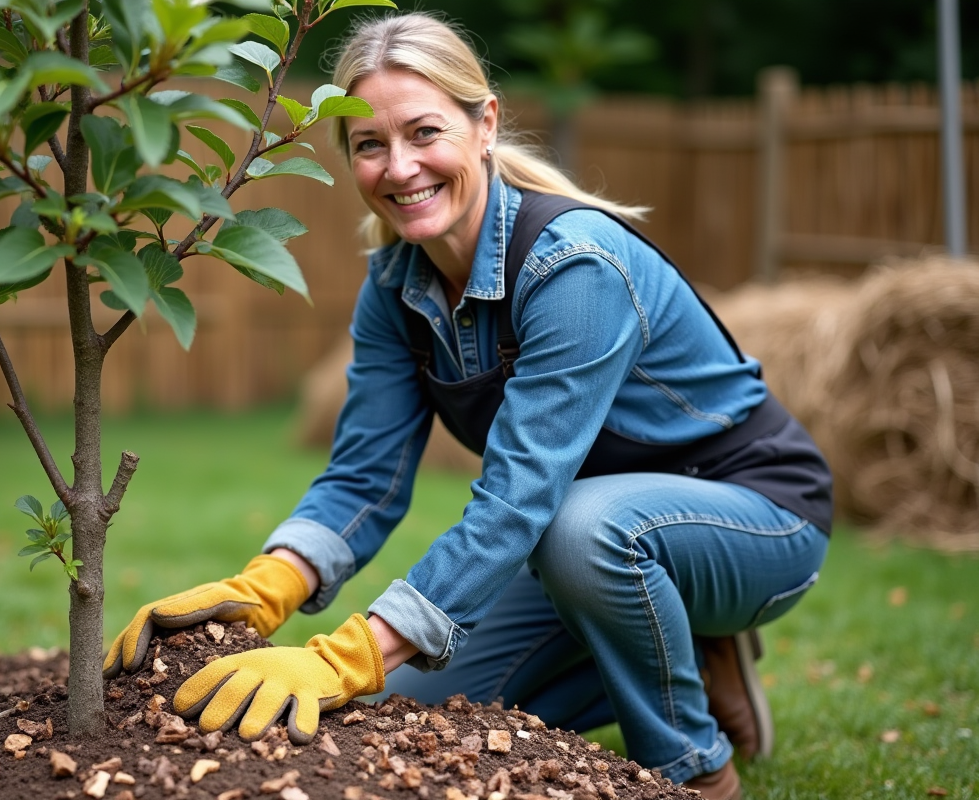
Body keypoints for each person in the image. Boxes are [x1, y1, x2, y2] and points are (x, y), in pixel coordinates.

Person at [102, 13, 832, 799]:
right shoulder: (393, 289)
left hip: (752, 516)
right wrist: (264, 587)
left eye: (424, 132)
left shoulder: (573, 266)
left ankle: (696, 769)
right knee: (397, 706)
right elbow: (364, 479)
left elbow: (519, 501)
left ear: (484, 125)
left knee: (580, 531)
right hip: (584, 542)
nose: (400, 167)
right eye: (370, 145)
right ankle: (686, 650)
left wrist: (346, 653)